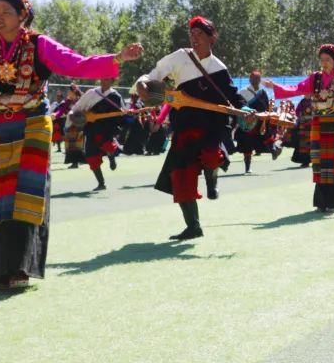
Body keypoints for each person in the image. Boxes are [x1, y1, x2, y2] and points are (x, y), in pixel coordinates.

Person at [0, 0, 142, 290]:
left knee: (27, 192)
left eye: (6, 12)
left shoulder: (39, 45)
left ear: (22, 15)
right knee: (0, 196)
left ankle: (21, 269)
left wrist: (118, 57)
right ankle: (1, 270)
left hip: (33, 123)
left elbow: (76, 63)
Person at [135, 16, 242, 239]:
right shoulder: (180, 57)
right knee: (180, 176)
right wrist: (142, 84)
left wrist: (247, 111)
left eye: (200, 34)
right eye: (192, 34)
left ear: (212, 38)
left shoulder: (219, 68)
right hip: (185, 125)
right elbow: (153, 75)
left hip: (212, 127)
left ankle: (212, 180)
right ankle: (193, 226)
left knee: (212, 155)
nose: (194, 38)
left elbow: (233, 98)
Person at [265, 45, 334, 213]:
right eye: (322, 60)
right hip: (318, 125)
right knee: (319, 163)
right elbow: (297, 88)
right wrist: (276, 87)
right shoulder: (315, 78)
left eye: (327, 60)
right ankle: (321, 203)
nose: (324, 63)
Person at [71, 78, 124, 191]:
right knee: (91, 156)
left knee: (108, 146)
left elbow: (119, 114)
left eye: (106, 79)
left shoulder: (115, 96)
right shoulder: (92, 93)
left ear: (112, 81)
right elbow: (80, 107)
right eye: (102, 79)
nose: (103, 81)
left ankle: (111, 157)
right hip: (91, 128)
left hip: (106, 128)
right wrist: (82, 115)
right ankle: (101, 183)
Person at [235, 70, 271, 174]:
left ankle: (274, 150)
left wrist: (265, 119)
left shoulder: (263, 92)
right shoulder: (243, 92)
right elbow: (239, 106)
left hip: (260, 123)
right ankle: (247, 167)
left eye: (258, 78)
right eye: (254, 78)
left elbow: (266, 107)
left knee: (265, 139)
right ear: (250, 79)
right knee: (247, 145)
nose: (256, 80)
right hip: (248, 122)